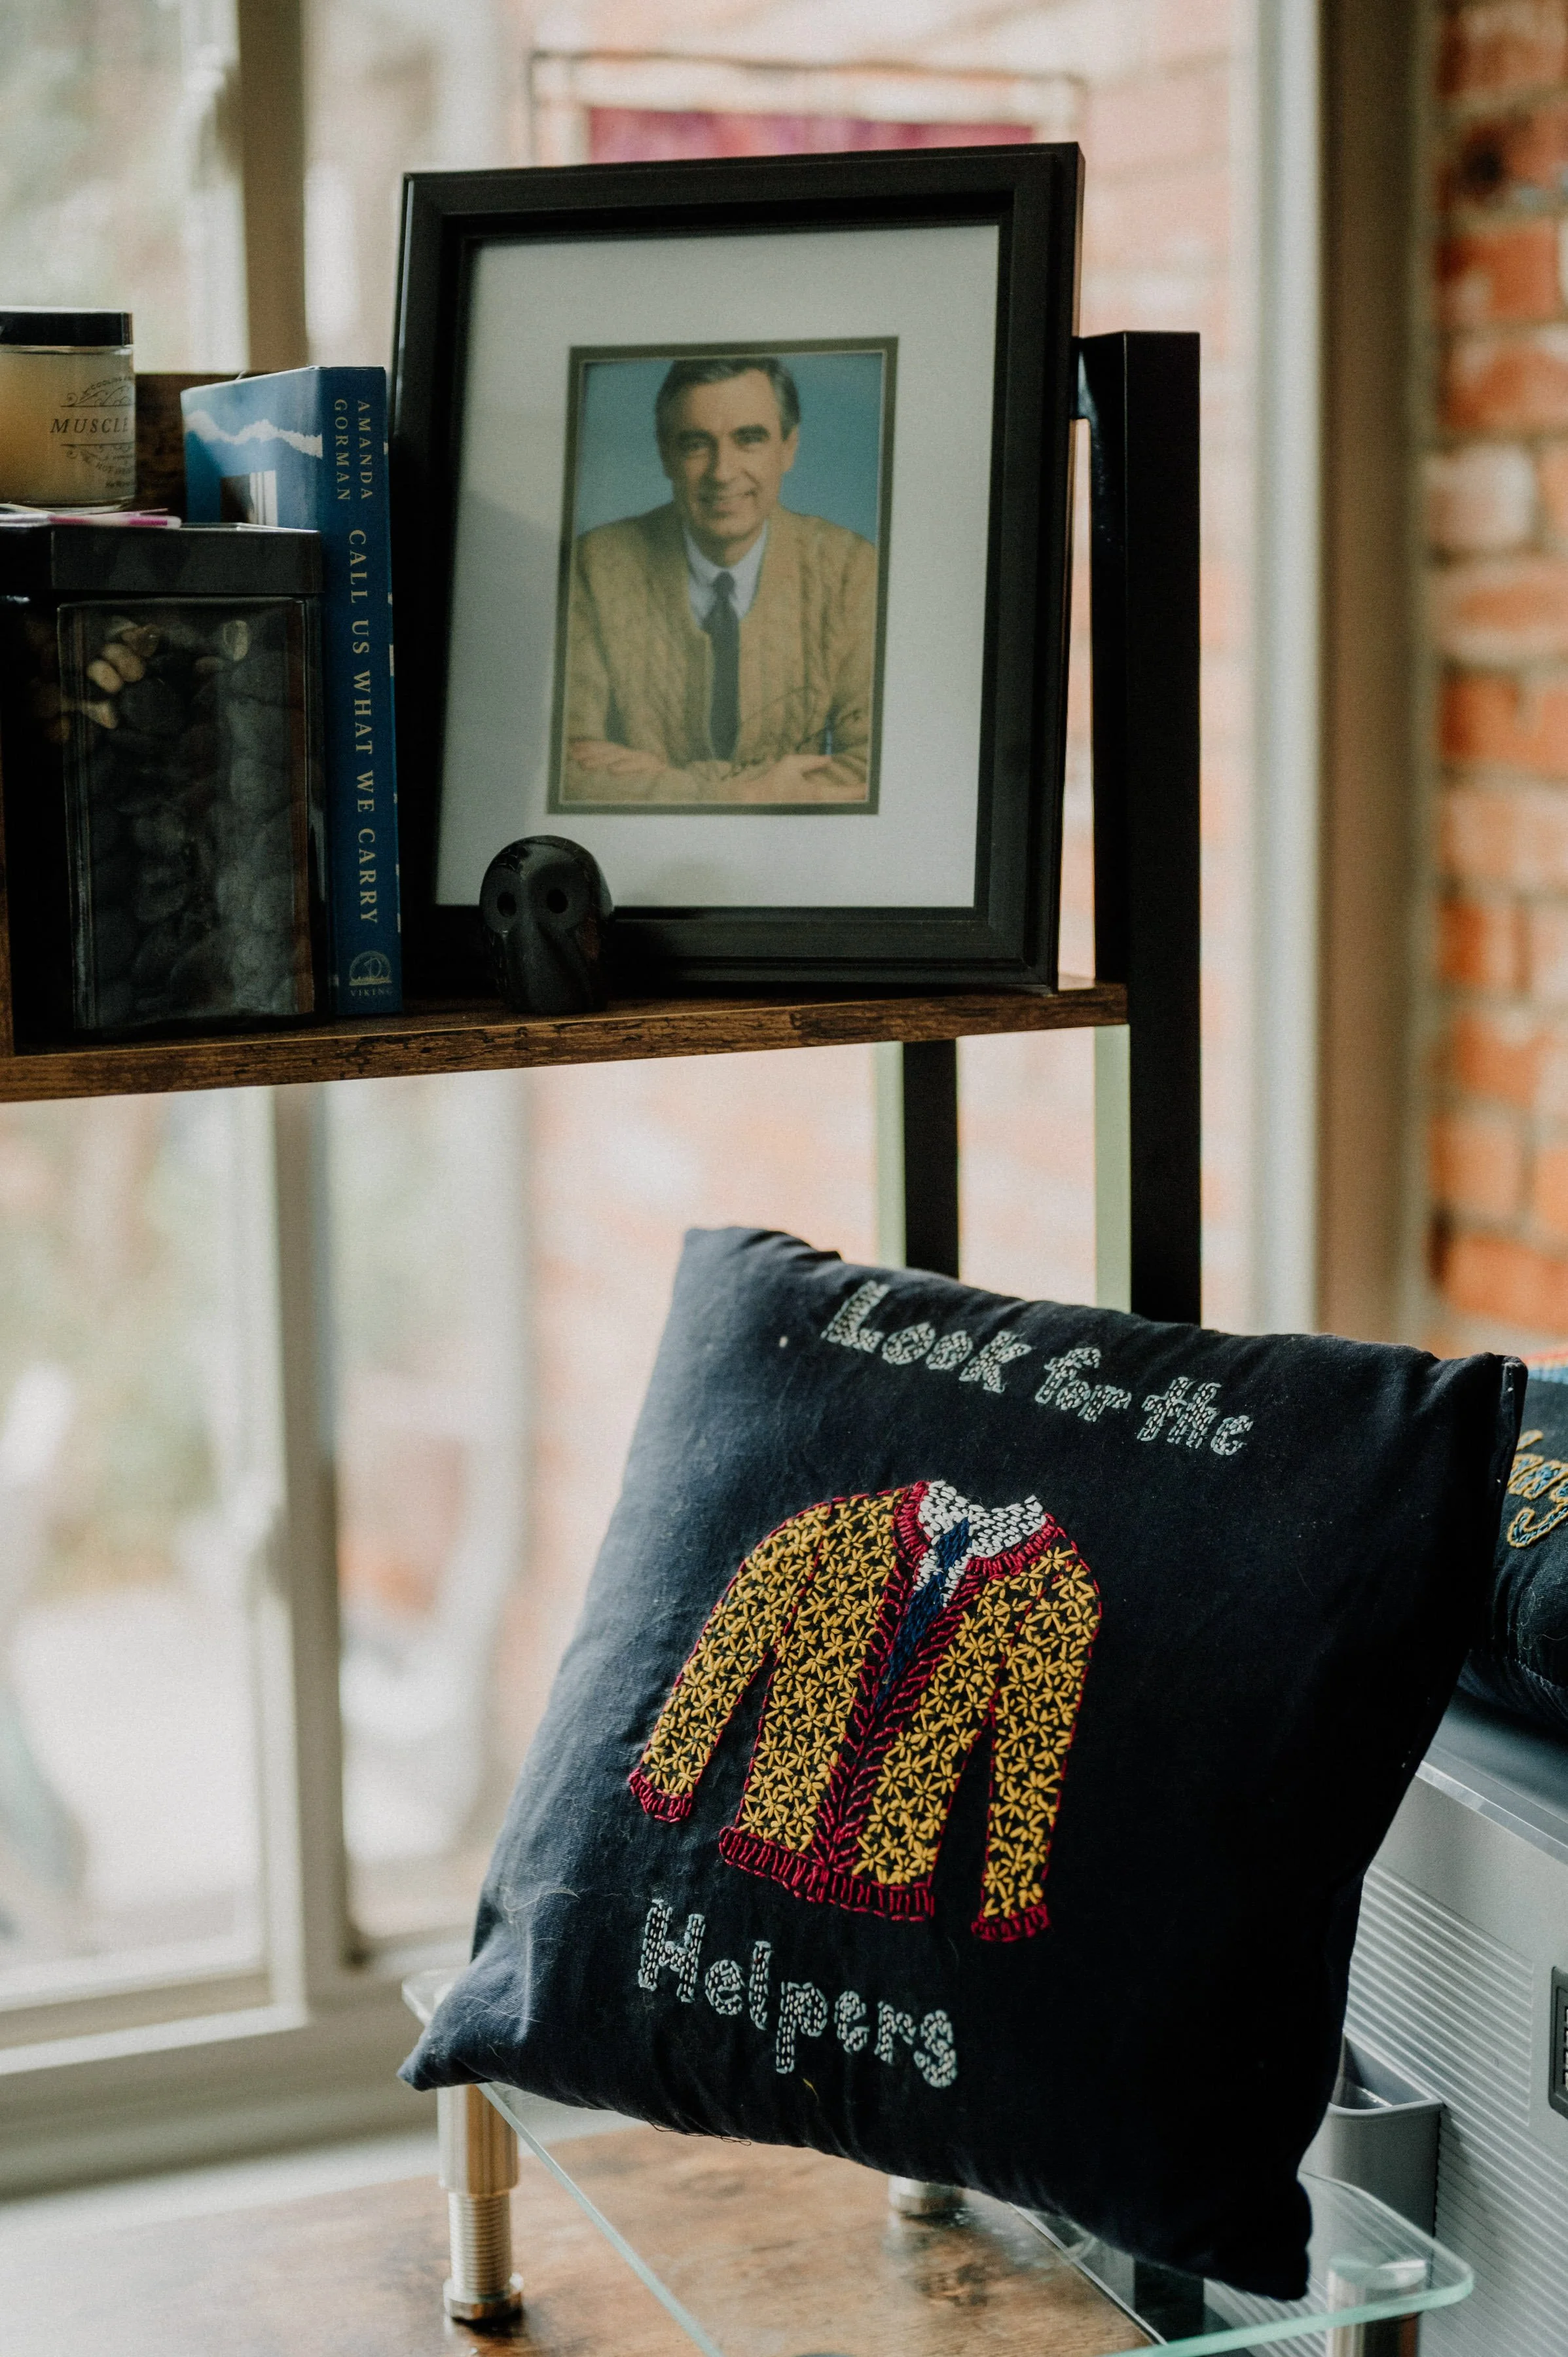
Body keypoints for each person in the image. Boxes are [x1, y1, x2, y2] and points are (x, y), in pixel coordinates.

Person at [559, 355, 878, 806]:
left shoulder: (851, 570)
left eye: (749, 440)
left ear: (788, 448)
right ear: (665, 453)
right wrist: (747, 794)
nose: (722, 472)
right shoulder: (593, 565)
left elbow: (873, 768)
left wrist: (670, 787)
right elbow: (564, 770)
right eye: (695, 444)